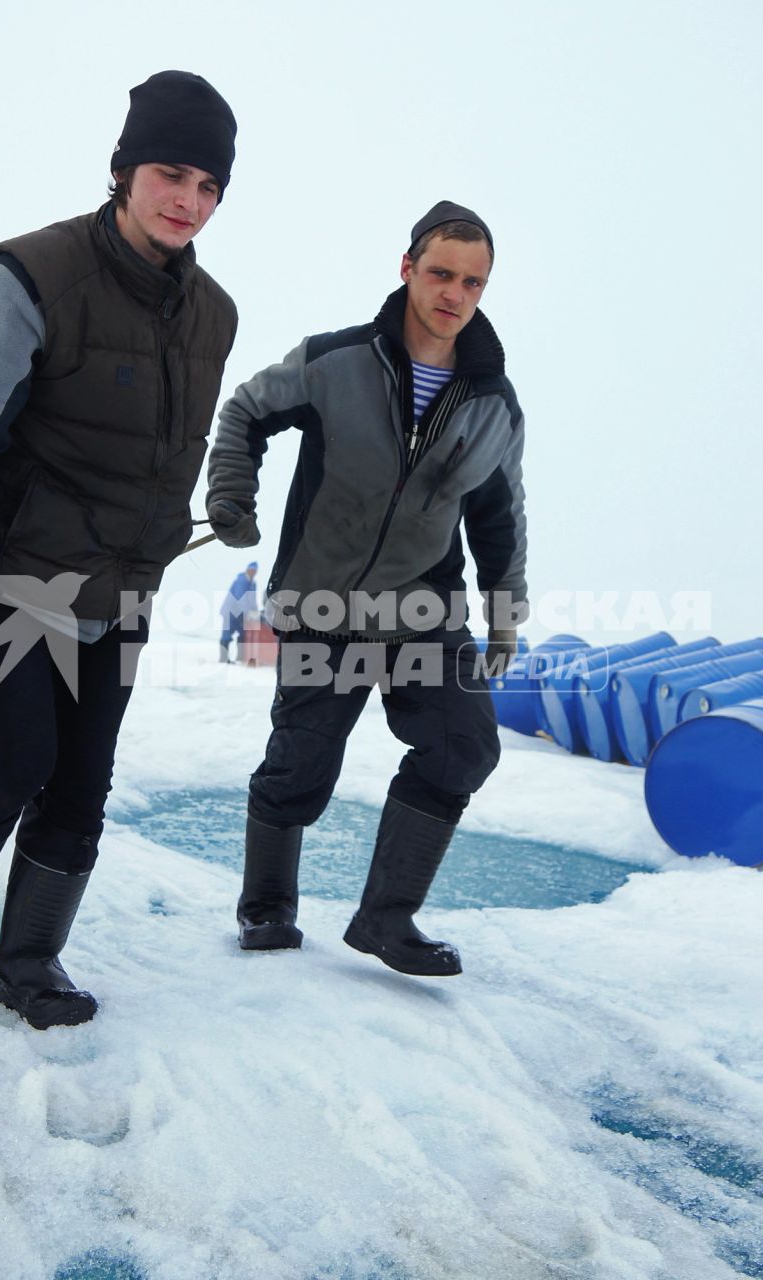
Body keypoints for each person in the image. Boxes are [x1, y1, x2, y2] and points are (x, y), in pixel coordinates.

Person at [0, 71, 239, 1029]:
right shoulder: (27, 277)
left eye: (211, 187)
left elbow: (168, 451)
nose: (190, 201)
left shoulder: (215, 315)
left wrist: (214, 506)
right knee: (18, 762)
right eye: (172, 173)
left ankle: (32, 962)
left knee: (83, 785)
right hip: (22, 576)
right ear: (126, 168)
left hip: (125, 588)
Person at [203, 201, 526, 977]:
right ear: (408, 268)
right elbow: (245, 410)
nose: (454, 293)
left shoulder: (493, 403)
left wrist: (505, 612)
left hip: (424, 607)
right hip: (322, 602)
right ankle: (267, 907)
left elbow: (500, 515)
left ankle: (387, 919)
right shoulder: (336, 360)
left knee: (464, 746)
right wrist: (231, 497)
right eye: (442, 272)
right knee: (302, 765)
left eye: (473, 282)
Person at [219, 561, 258, 662]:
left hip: (241, 613)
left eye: (254, 571)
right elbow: (240, 598)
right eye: (251, 570)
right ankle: (223, 658)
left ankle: (241, 657)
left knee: (243, 633)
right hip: (230, 612)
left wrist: (255, 611)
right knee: (227, 634)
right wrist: (248, 613)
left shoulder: (253, 584)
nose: (252, 572)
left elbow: (252, 600)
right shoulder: (241, 580)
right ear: (247, 570)